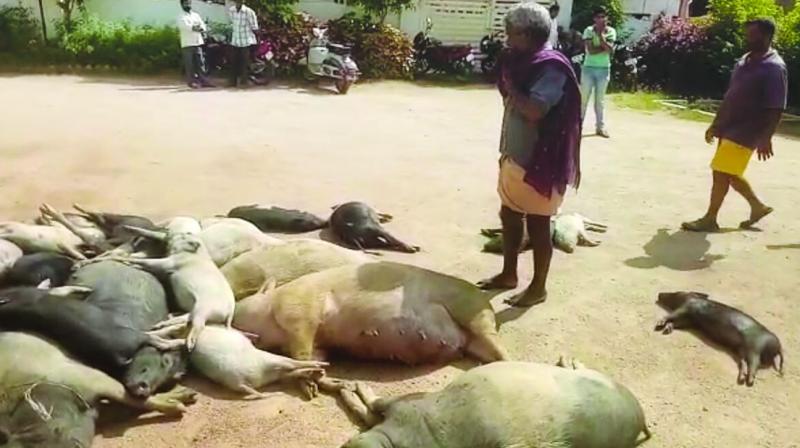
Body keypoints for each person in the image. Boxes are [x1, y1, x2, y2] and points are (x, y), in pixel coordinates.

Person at [477, 2, 582, 307]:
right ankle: (509, 274)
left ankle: (538, 288)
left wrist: (512, 87)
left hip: (540, 162)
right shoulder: (522, 61)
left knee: (538, 226)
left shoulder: (550, 66)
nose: (507, 39)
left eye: (511, 33)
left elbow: (535, 110)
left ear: (526, 33)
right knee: (509, 215)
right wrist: (508, 80)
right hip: (514, 155)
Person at [682, 18, 787, 232]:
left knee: (721, 171)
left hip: (748, 130)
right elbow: (731, 96)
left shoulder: (774, 68)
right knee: (726, 171)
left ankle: (711, 218)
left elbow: (776, 107)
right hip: (729, 127)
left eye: (753, 35)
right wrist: (716, 123)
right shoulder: (744, 61)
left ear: (766, 36)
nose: (748, 38)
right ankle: (757, 206)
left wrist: (766, 137)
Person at [580, 7, 616, 138]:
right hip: (588, 68)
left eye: (603, 16)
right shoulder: (588, 30)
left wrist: (601, 36)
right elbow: (591, 50)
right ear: (594, 19)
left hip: (603, 69)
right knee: (584, 99)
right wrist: (604, 47)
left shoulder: (611, 31)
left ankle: (600, 127)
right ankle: (578, 126)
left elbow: (611, 50)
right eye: (599, 17)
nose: (601, 19)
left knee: (599, 100)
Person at [177, 0, 212, 88]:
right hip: (187, 43)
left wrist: (200, 28)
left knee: (201, 63)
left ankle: (204, 81)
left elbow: (202, 25)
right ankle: (191, 82)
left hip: (198, 42)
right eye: (186, 4)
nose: (188, 5)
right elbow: (186, 26)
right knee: (190, 64)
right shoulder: (181, 16)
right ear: (182, 5)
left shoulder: (196, 15)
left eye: (189, 3)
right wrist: (195, 27)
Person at [228, 0, 259, 88]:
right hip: (235, 41)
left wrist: (258, 40)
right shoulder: (231, 10)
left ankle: (244, 82)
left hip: (246, 41)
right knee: (233, 62)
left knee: (244, 63)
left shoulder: (249, 12)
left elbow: (254, 27)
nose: (238, 3)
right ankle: (232, 82)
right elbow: (232, 23)